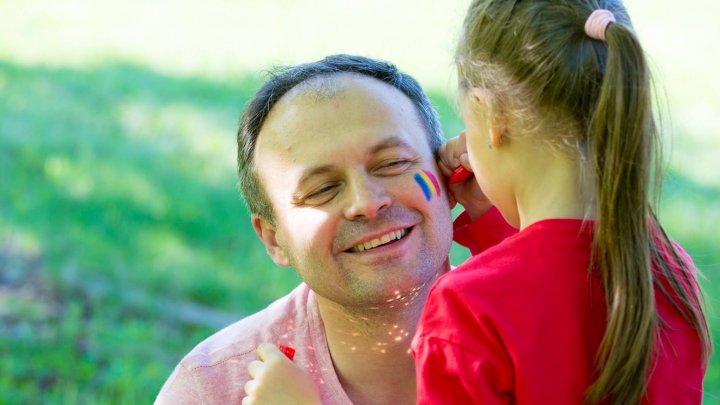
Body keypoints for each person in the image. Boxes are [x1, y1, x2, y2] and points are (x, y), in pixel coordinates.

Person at [154, 54, 515, 405]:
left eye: (393, 163)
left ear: (449, 177)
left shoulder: (532, 336)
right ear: (273, 239)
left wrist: (501, 216)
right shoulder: (210, 390)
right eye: (322, 190)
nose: (367, 203)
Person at [412, 1, 711, 404]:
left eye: (467, 122)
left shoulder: (465, 310)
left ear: (491, 114)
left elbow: (528, 300)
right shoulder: (669, 272)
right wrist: (495, 225)